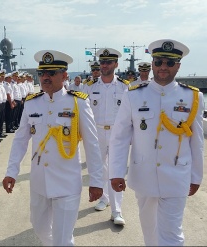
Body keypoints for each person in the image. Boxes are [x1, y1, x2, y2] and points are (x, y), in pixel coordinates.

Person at [2, 50, 104, 246]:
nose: (45, 77)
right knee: (39, 227)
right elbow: (20, 140)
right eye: (42, 73)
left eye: (52, 73)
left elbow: (92, 143)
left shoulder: (78, 102)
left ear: (65, 75)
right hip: (40, 182)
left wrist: (96, 181)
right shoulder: (32, 103)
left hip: (67, 183)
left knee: (63, 239)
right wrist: (11, 172)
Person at [109, 39, 204, 246]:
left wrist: (196, 176)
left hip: (178, 174)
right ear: (152, 63)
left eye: (170, 63)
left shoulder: (193, 97)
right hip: (144, 175)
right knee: (150, 232)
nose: (163, 67)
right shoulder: (133, 95)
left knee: (172, 234)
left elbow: (197, 141)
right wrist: (116, 172)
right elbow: (119, 137)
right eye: (159, 61)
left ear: (178, 65)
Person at [84, 48, 129, 226]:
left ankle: (116, 211)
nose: (104, 65)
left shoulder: (125, 86)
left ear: (116, 64)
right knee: (99, 168)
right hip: (96, 132)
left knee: (116, 170)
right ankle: (104, 198)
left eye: (109, 62)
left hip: (118, 133)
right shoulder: (89, 86)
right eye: (102, 62)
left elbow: (129, 114)